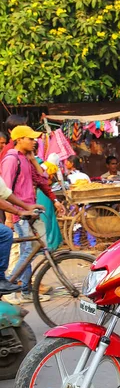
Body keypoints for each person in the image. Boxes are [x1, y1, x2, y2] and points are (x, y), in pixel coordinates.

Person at [1, 126, 63, 304]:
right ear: (19, 140)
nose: (34, 141)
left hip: (30, 211)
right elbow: (4, 191)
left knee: (34, 250)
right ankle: (9, 286)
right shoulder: (12, 160)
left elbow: (41, 179)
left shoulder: (25, 158)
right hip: (19, 213)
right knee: (28, 251)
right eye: (30, 139)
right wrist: (8, 217)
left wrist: (54, 200)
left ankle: (26, 289)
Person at [0, 176, 43, 293]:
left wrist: (26, 207)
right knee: (5, 233)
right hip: (13, 218)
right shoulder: (12, 159)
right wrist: (18, 212)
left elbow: (5, 193)